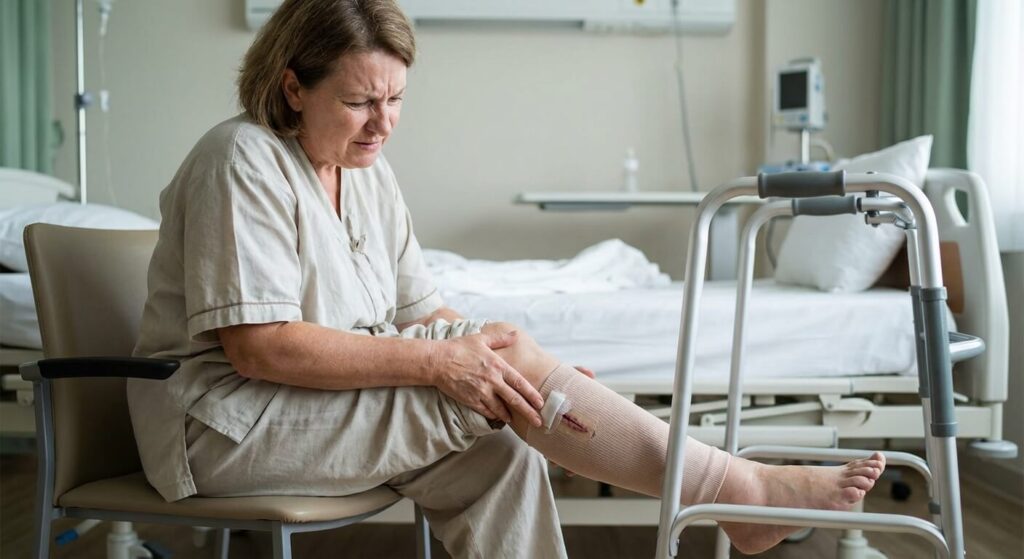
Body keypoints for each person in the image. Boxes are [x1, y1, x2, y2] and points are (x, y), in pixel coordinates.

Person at [127, 0, 886, 557]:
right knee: (496, 376)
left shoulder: (366, 173)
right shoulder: (241, 159)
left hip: (313, 412)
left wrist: (542, 381)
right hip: (226, 426)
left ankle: (724, 487)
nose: (382, 123)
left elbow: (421, 310)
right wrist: (462, 364)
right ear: (293, 87)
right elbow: (262, 348)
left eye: (394, 99)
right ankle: (736, 488)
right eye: (359, 101)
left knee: (506, 448)